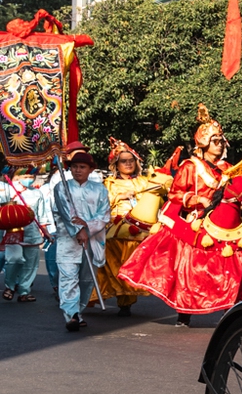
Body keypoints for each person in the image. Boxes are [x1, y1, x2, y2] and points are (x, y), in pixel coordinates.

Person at [122, 105, 242, 326]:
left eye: (221, 141)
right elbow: (174, 193)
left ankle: (227, 306)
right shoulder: (190, 166)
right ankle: (184, 311)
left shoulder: (228, 168)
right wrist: (198, 200)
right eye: (215, 141)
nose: (220, 145)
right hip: (195, 222)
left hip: (219, 224)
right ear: (204, 144)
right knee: (191, 269)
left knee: (228, 263)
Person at [98, 140, 162, 317]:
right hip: (116, 226)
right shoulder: (109, 183)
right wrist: (119, 196)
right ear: (116, 165)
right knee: (114, 262)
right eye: (123, 161)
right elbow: (102, 205)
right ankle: (120, 297)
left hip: (142, 228)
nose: (128, 164)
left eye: (131, 160)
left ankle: (130, 297)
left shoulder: (144, 181)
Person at [50, 145, 111, 333]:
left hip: (92, 241)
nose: (78, 170)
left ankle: (78, 310)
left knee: (86, 280)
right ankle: (71, 315)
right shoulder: (62, 187)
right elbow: (65, 212)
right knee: (68, 277)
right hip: (69, 240)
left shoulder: (99, 189)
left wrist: (88, 227)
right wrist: (78, 230)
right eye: (75, 166)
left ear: (90, 169)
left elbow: (105, 214)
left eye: (82, 167)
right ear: (69, 168)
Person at [1, 164, 48, 302]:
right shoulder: (6, 189)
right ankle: (9, 286)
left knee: (31, 264)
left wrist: (45, 232)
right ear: (16, 177)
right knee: (14, 259)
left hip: (32, 232)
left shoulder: (37, 193)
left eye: (30, 176)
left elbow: (41, 215)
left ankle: (24, 291)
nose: (28, 179)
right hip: (12, 232)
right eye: (24, 176)